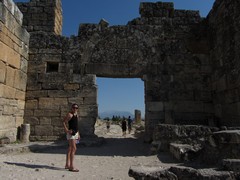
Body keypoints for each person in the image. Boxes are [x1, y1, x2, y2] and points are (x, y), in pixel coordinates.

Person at [63, 103, 80, 172]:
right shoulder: (69, 114)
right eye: (74, 107)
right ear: (71, 108)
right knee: (74, 148)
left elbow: (76, 125)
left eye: (76, 108)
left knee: (70, 148)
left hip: (75, 133)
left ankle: (67, 164)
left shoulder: (76, 115)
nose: (75, 109)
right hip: (71, 134)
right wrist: (67, 130)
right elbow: (64, 122)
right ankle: (71, 166)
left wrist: (78, 134)